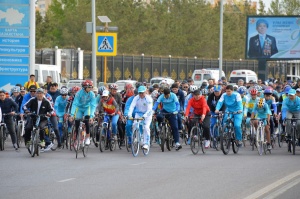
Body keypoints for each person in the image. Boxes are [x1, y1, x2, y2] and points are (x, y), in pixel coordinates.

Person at [69, 80, 96, 146]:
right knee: (77, 122)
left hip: (87, 108)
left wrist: (92, 116)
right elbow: (74, 104)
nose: (90, 88)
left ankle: (87, 137)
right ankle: (77, 138)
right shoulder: (78, 93)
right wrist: (72, 115)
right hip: (79, 108)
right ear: (84, 87)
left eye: (91, 87)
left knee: (87, 121)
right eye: (89, 87)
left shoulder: (92, 94)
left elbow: (93, 105)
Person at [127, 86, 153, 151]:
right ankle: (138, 138)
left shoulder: (149, 99)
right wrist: (129, 114)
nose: (141, 94)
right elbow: (132, 106)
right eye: (140, 93)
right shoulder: (136, 98)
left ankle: (146, 143)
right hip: (138, 114)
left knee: (146, 127)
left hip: (147, 115)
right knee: (135, 125)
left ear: (145, 92)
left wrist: (144, 116)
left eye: (142, 93)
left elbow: (149, 110)